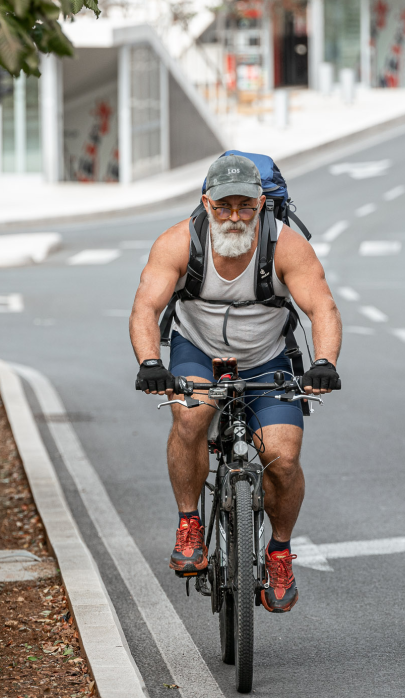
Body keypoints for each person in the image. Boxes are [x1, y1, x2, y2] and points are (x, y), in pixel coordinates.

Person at [129, 154, 342, 613]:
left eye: (246, 206)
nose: (234, 216)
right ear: (206, 203)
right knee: (191, 417)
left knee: (283, 459)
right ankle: (190, 524)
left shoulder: (286, 247)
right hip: (197, 350)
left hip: (267, 359)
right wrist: (150, 362)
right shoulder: (177, 244)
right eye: (223, 206)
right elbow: (145, 307)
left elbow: (322, 308)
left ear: (262, 203)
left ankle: (279, 552)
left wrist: (324, 361)